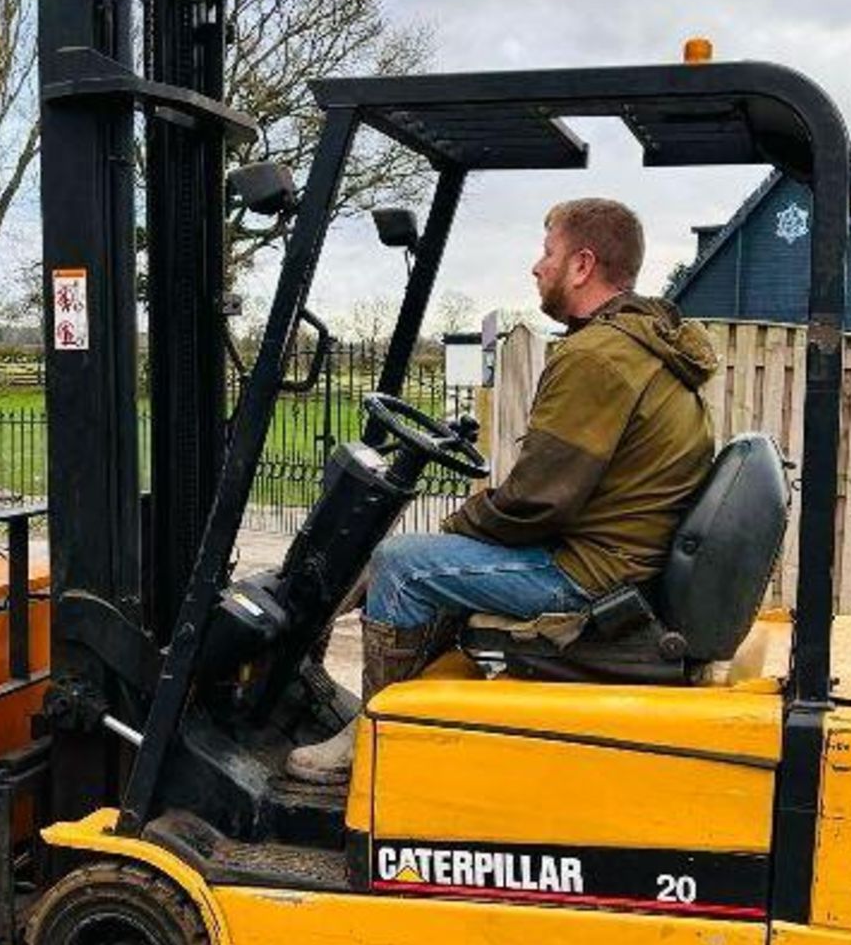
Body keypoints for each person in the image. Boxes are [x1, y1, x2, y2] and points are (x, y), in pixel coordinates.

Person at [287, 197, 719, 783]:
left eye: (547, 253)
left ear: (581, 265)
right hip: (616, 561)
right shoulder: (641, 350)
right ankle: (363, 699)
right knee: (426, 561)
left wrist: (456, 525)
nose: (536, 267)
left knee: (402, 563)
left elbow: (537, 502)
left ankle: (379, 738)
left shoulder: (599, 357)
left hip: (588, 576)